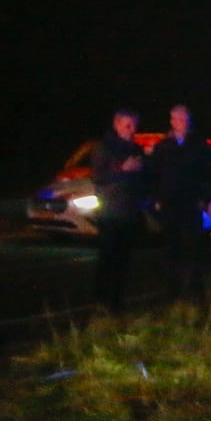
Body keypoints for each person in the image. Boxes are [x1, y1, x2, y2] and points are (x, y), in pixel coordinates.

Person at [148, 103, 211, 305]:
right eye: (177, 119)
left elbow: (210, 175)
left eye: (184, 119)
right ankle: (172, 295)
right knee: (171, 251)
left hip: (191, 206)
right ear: (171, 121)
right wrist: (156, 199)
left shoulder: (201, 147)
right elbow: (153, 175)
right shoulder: (163, 147)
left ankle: (197, 296)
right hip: (169, 206)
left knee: (194, 251)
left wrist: (204, 198)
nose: (180, 123)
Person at [89, 107, 146, 314]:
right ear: (117, 124)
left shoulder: (136, 149)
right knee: (108, 259)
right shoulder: (104, 148)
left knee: (123, 260)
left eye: (134, 126)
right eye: (127, 125)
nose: (132, 130)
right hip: (110, 213)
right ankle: (102, 302)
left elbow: (142, 180)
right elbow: (97, 176)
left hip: (129, 212)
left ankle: (116, 302)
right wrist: (122, 169)